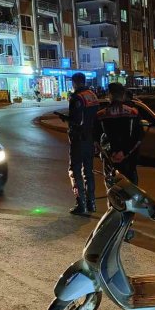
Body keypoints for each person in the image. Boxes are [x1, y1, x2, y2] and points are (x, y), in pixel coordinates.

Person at [64, 72, 99, 215]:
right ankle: (92, 203)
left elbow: (76, 120)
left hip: (78, 139)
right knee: (88, 172)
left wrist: (68, 120)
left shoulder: (76, 97)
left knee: (75, 170)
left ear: (75, 82)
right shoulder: (93, 95)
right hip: (90, 138)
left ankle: (81, 204)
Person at [95, 82, 143, 185]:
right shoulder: (132, 113)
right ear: (123, 95)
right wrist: (125, 153)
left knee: (113, 192)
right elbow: (138, 137)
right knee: (131, 192)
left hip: (110, 160)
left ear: (110, 95)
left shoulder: (101, 114)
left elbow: (96, 138)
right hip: (129, 161)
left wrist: (109, 153)